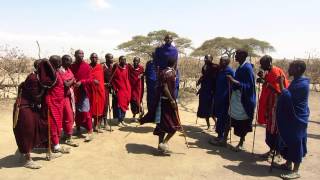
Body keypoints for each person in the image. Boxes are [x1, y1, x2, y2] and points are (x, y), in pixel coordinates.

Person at [13, 59, 60, 169]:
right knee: (27, 132)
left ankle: (48, 151)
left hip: (32, 107)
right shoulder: (33, 78)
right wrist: (45, 89)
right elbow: (36, 98)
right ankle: (27, 159)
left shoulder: (39, 77)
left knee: (42, 126)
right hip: (24, 108)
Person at [276, 60, 310, 179]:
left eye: (291, 67)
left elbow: (288, 97)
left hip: (298, 118)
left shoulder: (303, 84)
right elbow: (288, 96)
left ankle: (296, 170)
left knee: (296, 142)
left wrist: (281, 84)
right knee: (289, 140)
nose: (289, 70)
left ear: (299, 69)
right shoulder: (296, 81)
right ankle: (288, 164)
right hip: (292, 117)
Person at [140, 57, 181, 154]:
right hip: (167, 102)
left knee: (162, 125)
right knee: (174, 125)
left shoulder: (162, 72)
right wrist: (172, 100)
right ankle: (164, 143)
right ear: (175, 63)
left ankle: (160, 147)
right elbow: (165, 87)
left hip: (161, 102)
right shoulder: (171, 73)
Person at [257, 55, 289, 159]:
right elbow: (268, 84)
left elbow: (280, 92)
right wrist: (263, 79)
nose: (261, 66)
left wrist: (266, 83)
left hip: (276, 106)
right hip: (270, 106)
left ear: (269, 62)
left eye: (263, 64)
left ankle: (278, 153)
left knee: (275, 129)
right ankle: (272, 150)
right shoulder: (269, 72)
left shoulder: (275, 72)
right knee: (270, 129)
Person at [226, 49, 256, 151]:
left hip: (244, 99)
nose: (235, 56)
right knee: (230, 118)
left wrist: (233, 80)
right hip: (236, 98)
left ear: (243, 55)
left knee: (242, 122)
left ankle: (241, 143)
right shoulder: (241, 66)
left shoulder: (247, 68)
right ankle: (224, 138)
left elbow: (249, 86)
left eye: (237, 54)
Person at [47, 55, 71, 154]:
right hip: (52, 102)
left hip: (59, 102)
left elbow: (65, 82)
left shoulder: (57, 72)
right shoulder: (50, 74)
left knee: (58, 123)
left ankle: (56, 143)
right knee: (53, 124)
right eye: (58, 62)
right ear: (53, 63)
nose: (60, 63)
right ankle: (56, 146)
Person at [210, 56, 235, 145]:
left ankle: (221, 136)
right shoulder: (220, 70)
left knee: (222, 117)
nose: (220, 62)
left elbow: (233, 85)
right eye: (220, 61)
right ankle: (219, 135)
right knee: (217, 115)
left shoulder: (230, 71)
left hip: (225, 98)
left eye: (222, 61)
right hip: (218, 97)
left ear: (227, 62)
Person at [70, 50, 94, 142]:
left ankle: (90, 131)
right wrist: (73, 81)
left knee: (85, 111)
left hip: (84, 91)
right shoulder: (72, 66)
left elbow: (90, 79)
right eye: (79, 54)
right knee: (76, 111)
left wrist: (82, 82)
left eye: (82, 54)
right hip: (74, 92)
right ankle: (78, 128)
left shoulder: (87, 66)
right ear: (75, 55)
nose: (81, 56)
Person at [196, 54, 219, 130]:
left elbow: (216, 78)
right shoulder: (204, 67)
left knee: (211, 110)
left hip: (211, 92)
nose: (205, 59)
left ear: (211, 59)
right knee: (204, 109)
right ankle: (208, 125)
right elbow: (204, 76)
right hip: (204, 91)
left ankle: (216, 124)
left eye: (207, 58)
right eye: (205, 58)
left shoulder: (215, 67)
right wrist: (200, 81)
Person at [60, 55, 78, 147]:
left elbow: (72, 79)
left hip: (68, 96)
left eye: (71, 61)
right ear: (63, 61)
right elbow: (66, 84)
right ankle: (68, 137)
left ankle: (67, 134)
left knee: (69, 116)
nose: (70, 63)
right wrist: (72, 80)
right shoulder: (60, 71)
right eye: (68, 61)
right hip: (61, 97)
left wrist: (71, 80)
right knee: (67, 117)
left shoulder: (68, 70)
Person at [154, 34, 180, 99]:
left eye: (170, 38)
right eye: (167, 38)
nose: (168, 39)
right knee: (161, 91)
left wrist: (174, 73)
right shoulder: (159, 49)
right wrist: (157, 74)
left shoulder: (175, 50)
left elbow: (176, 62)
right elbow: (156, 62)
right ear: (164, 39)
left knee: (174, 90)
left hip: (172, 72)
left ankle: (173, 102)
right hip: (162, 73)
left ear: (172, 40)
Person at [111, 56, 131, 126]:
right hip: (119, 89)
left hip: (127, 89)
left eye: (125, 60)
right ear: (119, 60)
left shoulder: (127, 67)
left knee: (125, 104)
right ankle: (119, 120)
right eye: (122, 60)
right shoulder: (116, 67)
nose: (124, 61)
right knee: (119, 105)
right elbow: (112, 79)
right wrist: (114, 88)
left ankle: (122, 120)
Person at [89, 53, 105, 133]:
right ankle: (89, 126)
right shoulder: (88, 67)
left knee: (99, 108)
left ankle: (96, 126)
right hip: (90, 91)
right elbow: (87, 78)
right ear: (90, 58)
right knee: (91, 108)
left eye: (95, 57)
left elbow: (101, 79)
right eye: (92, 57)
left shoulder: (100, 67)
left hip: (99, 90)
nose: (94, 58)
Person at [102, 53, 114, 129]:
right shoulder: (102, 67)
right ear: (106, 58)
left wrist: (112, 86)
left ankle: (105, 121)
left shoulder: (112, 67)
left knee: (107, 105)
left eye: (112, 58)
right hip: (102, 88)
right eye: (110, 58)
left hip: (109, 88)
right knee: (104, 105)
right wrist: (104, 84)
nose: (112, 59)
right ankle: (103, 121)